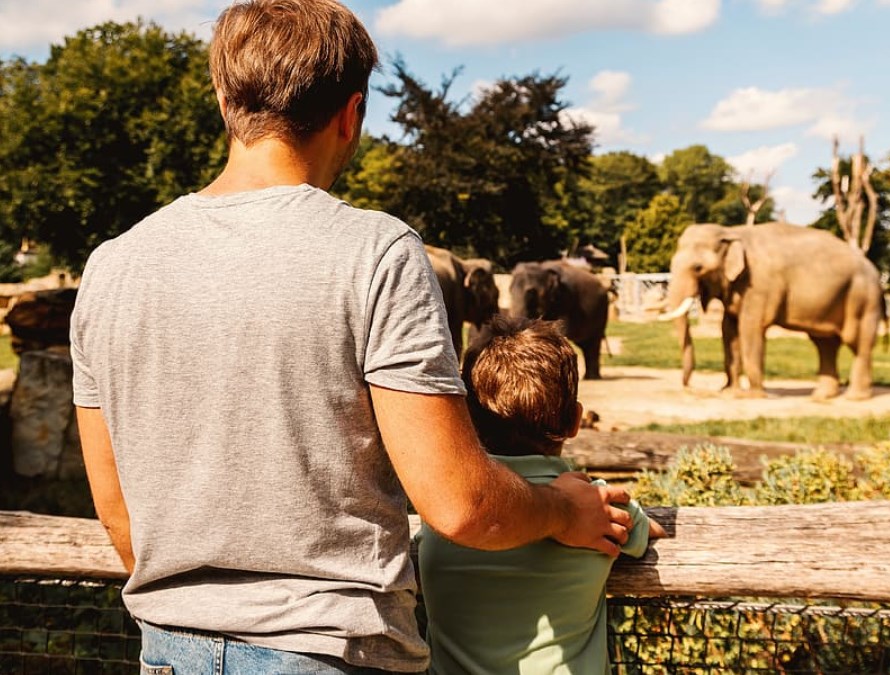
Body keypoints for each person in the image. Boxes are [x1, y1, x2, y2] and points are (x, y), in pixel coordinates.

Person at [69, 1, 634, 673]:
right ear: (351, 113)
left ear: (223, 99)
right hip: (329, 650)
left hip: (168, 648)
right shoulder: (377, 251)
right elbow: (460, 504)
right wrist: (558, 510)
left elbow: (118, 515)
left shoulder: (112, 265)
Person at [418, 316, 665, 674]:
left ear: (468, 418)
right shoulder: (597, 506)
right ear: (575, 421)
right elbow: (647, 532)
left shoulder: (443, 505)